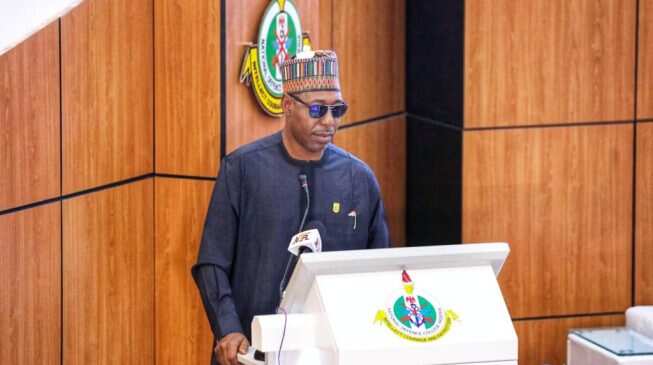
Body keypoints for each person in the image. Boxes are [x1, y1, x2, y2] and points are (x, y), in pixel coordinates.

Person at [192, 50, 390, 365]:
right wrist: (228, 329)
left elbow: (377, 271)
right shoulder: (243, 169)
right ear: (287, 106)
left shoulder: (359, 179)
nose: (329, 121)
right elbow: (212, 263)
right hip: (254, 353)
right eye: (317, 109)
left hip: (331, 353)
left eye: (337, 109)